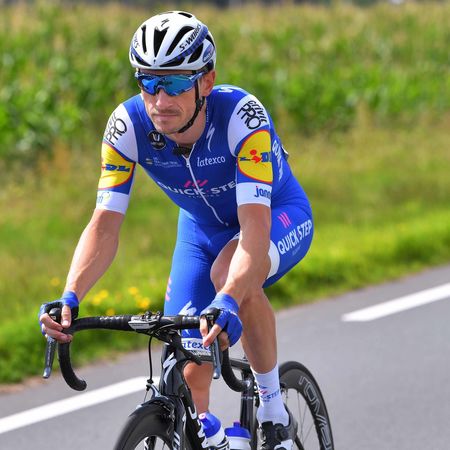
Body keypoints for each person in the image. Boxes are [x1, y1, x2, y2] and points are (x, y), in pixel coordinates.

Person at [39, 10, 313, 450]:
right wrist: (70, 295)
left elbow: (254, 228)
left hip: (275, 215)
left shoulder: (242, 117)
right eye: (148, 81)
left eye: (175, 83)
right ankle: (208, 437)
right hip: (199, 231)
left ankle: (273, 409)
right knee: (188, 361)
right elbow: (104, 226)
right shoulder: (127, 126)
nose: (160, 99)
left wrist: (228, 298)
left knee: (230, 277)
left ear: (206, 81)